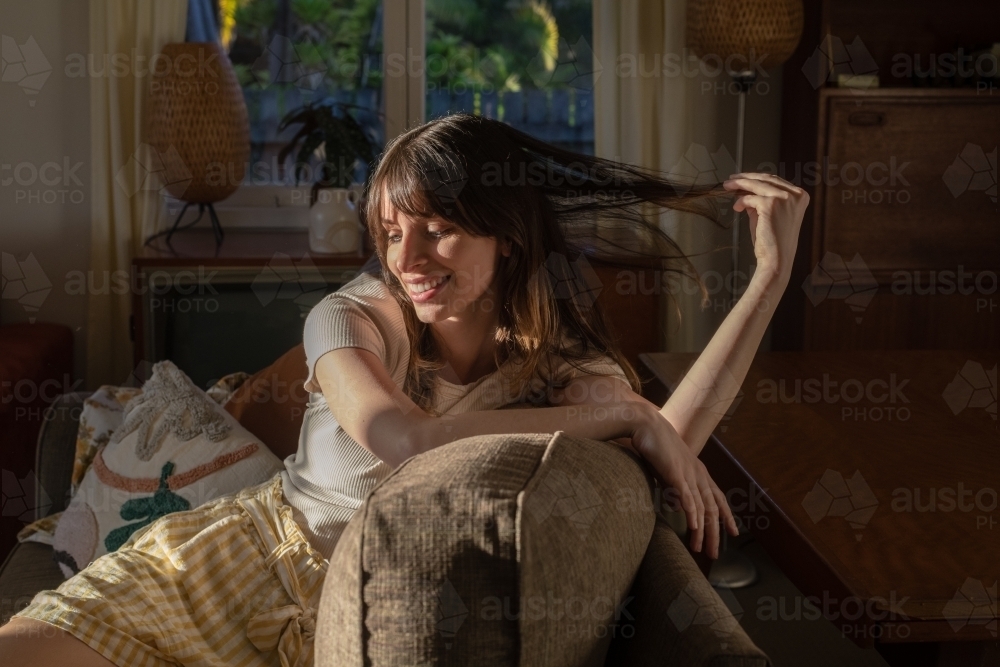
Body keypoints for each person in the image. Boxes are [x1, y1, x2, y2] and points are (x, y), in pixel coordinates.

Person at [0, 113, 808, 666]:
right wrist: (630, 411)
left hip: (355, 616)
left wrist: (768, 280)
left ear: (507, 233)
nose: (407, 256)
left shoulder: (549, 365)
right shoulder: (352, 317)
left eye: (438, 226)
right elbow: (405, 438)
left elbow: (667, 445)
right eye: (391, 230)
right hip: (224, 567)